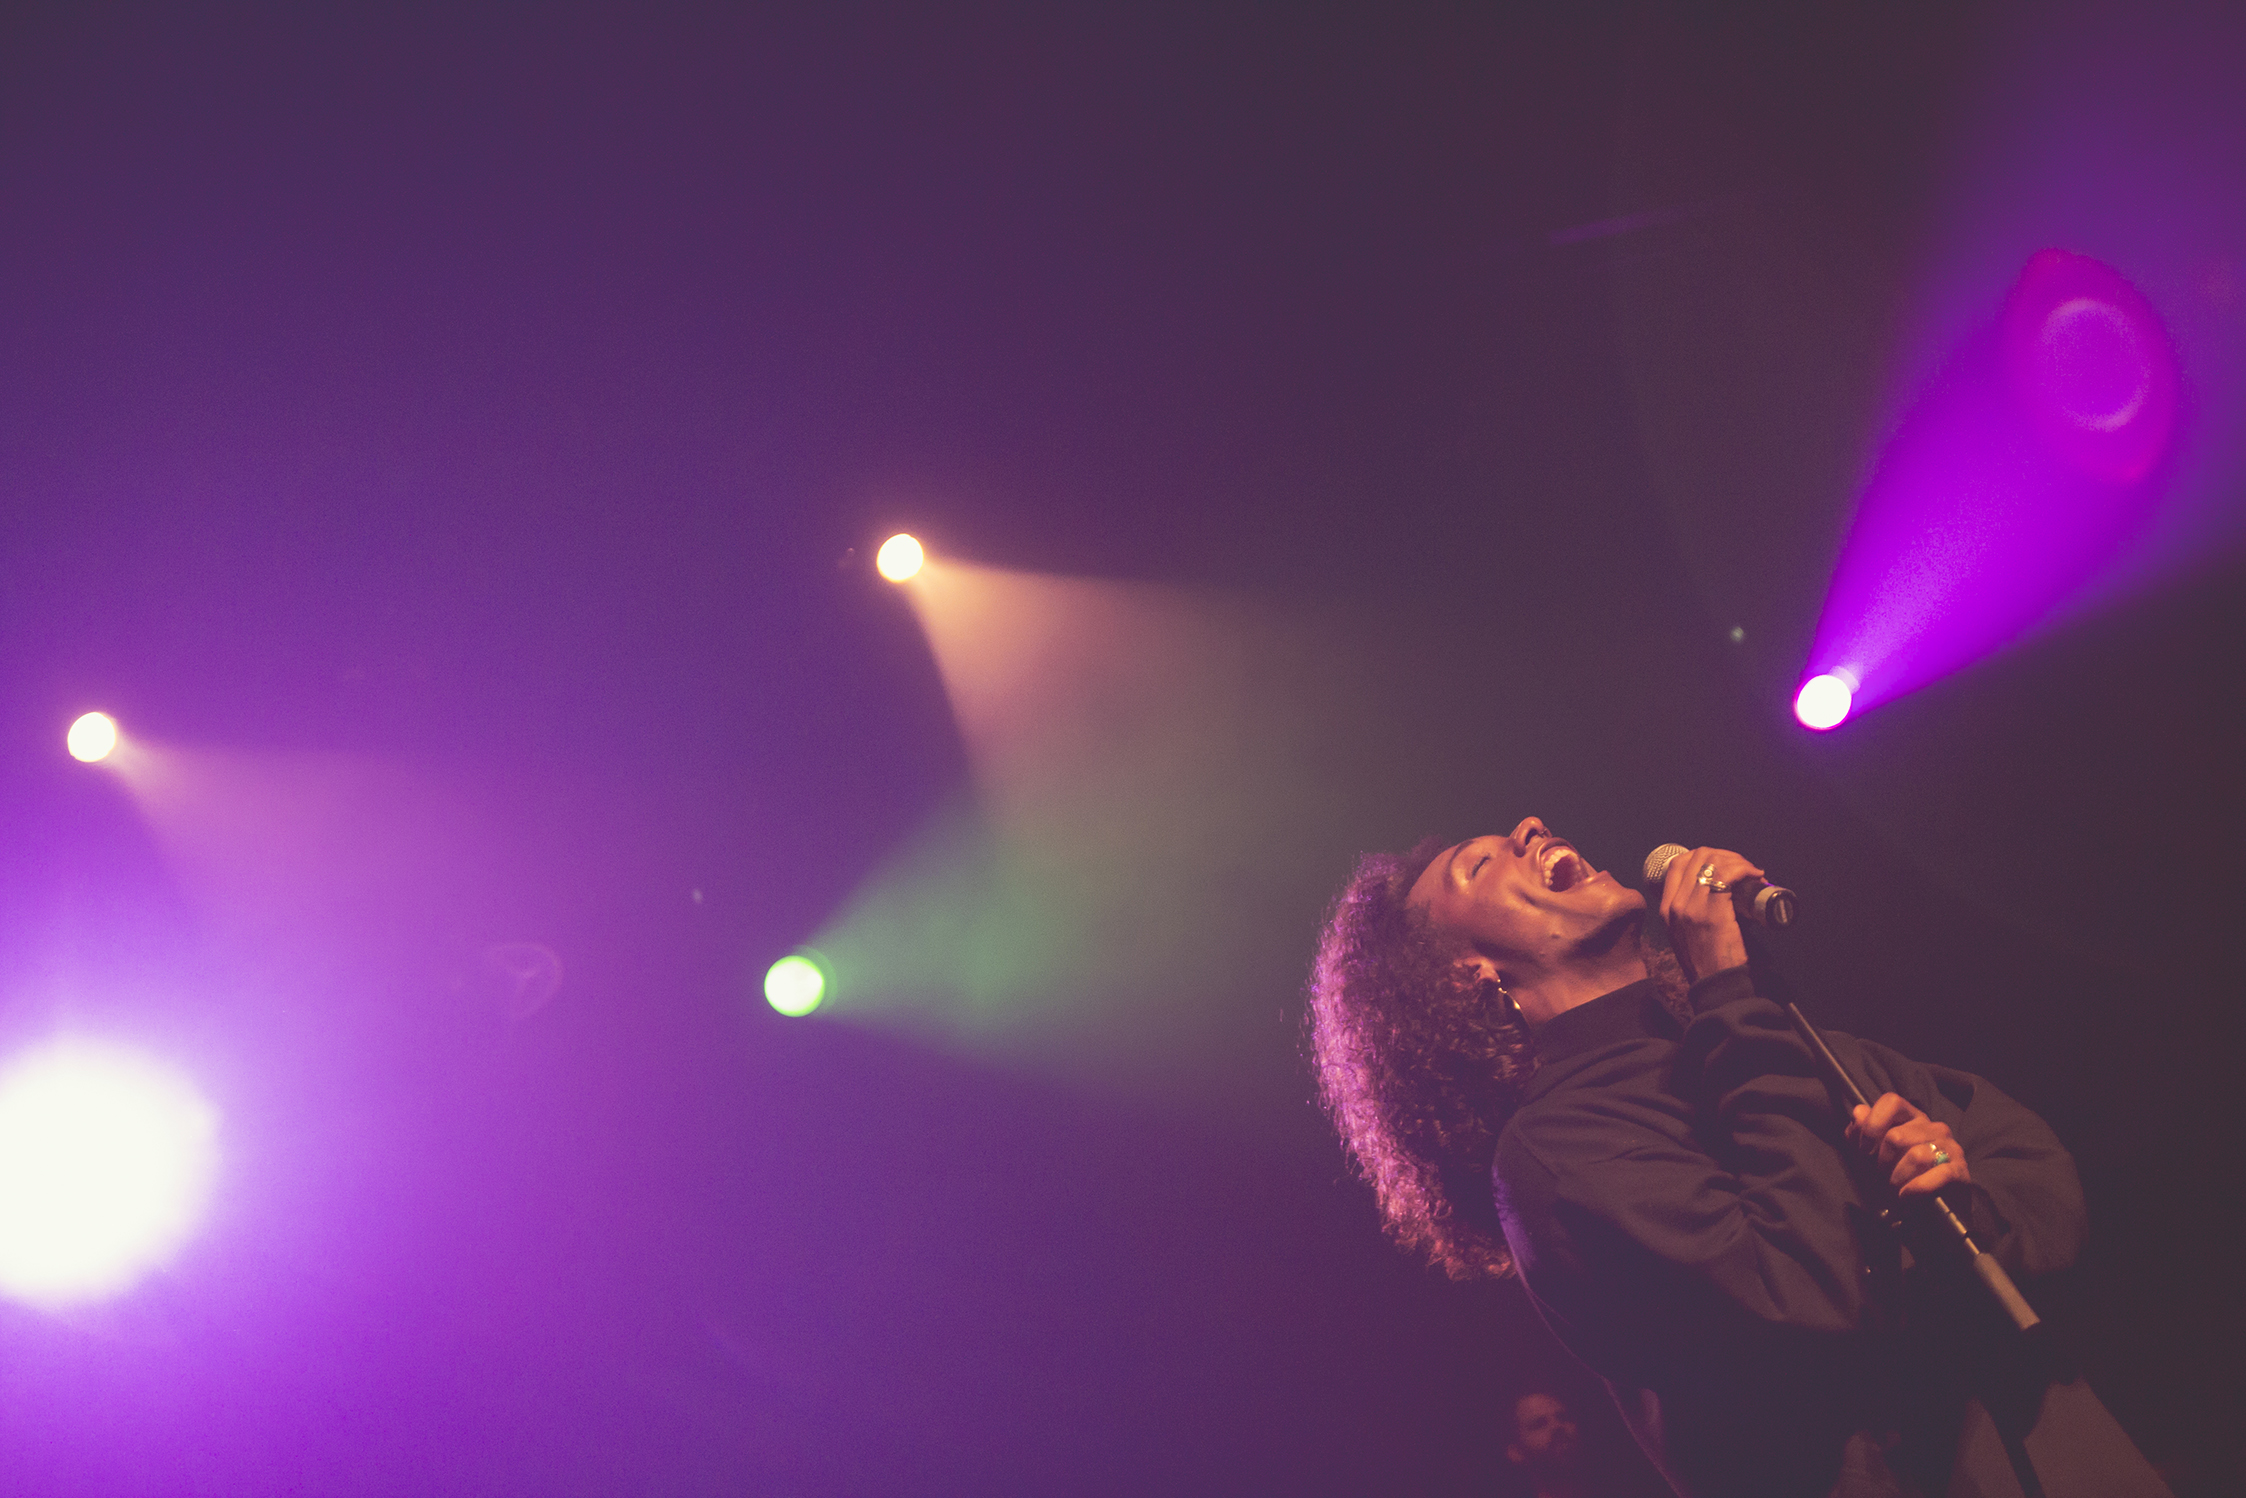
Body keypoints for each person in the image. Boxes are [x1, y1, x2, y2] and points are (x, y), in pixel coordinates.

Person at [1307, 817, 2169, 1498]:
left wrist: (1961, 1202)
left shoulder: (1761, 1037)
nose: (1530, 827)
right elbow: (1803, 1287)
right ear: (1468, 978)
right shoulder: (1557, 1154)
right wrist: (1724, 985)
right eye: (1480, 862)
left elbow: (2030, 1160)